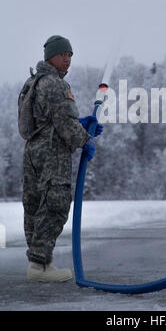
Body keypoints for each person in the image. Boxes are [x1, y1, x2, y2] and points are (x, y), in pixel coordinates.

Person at [22, 35, 103, 282]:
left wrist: (80, 125)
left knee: (36, 204)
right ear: (51, 57)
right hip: (52, 153)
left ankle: (39, 263)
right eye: (62, 55)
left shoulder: (32, 83)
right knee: (55, 202)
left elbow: (45, 119)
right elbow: (64, 123)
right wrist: (85, 139)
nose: (67, 60)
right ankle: (40, 266)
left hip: (33, 153)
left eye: (70, 55)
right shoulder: (55, 84)